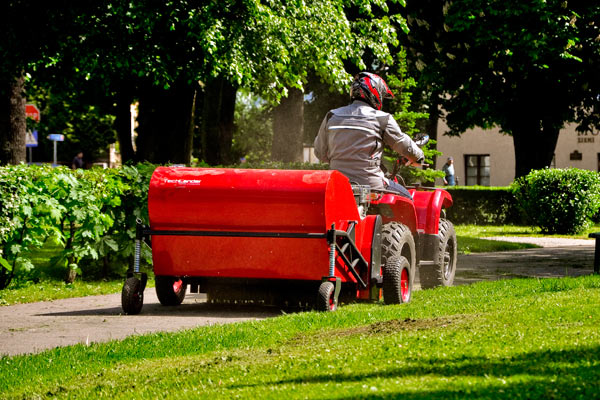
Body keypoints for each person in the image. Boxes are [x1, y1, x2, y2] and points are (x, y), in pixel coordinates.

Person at [313, 72, 424, 199]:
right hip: (371, 188)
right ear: (375, 92)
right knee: (408, 198)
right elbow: (403, 143)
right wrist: (418, 157)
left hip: (336, 186)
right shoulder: (382, 118)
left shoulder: (331, 116)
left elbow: (319, 153)